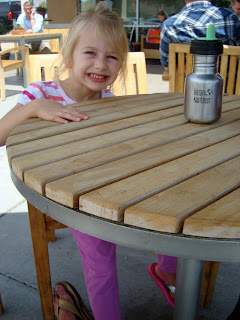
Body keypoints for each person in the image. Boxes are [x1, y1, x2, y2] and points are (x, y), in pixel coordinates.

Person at [0, 3, 177, 319]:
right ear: (69, 56)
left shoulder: (110, 104)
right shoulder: (43, 93)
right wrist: (32, 109)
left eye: (111, 57)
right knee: (99, 253)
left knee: (168, 204)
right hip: (66, 193)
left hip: (109, 184)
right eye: (90, 53)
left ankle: (169, 272)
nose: (101, 64)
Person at [160, 0, 240, 70]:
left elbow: (167, 66)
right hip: (228, 85)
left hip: (188, 85)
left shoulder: (169, 25)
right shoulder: (230, 17)